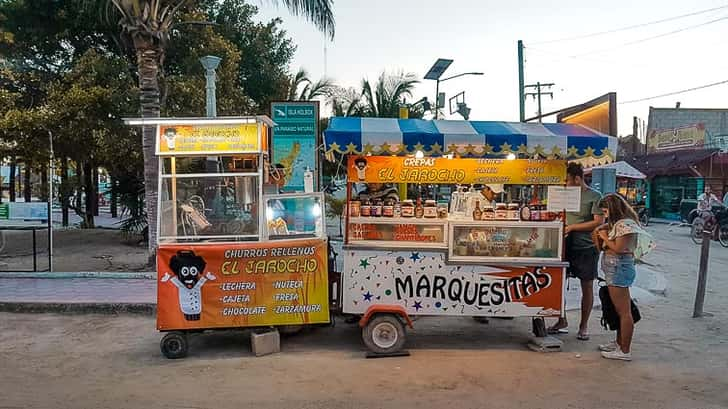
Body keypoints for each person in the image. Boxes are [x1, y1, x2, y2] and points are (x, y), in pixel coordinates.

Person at [548, 162, 604, 340]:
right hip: (564, 246)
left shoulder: (595, 196)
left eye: (567, 180)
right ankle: (561, 319)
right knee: (557, 284)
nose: (565, 183)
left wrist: (573, 227)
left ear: (578, 179)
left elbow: (598, 222)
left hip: (587, 247)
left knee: (586, 286)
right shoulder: (564, 195)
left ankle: (583, 326)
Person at [596, 193, 655, 361]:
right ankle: (619, 343)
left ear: (613, 210)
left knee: (624, 312)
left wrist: (605, 238)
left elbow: (619, 248)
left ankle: (624, 350)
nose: (604, 215)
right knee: (620, 309)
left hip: (618, 269)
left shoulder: (624, 225)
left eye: (606, 211)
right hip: (616, 268)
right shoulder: (624, 223)